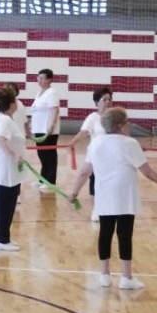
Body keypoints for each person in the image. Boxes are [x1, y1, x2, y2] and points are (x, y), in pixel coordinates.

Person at [69, 107, 157, 290]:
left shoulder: (96, 143)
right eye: (127, 122)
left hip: (104, 195)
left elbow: (85, 172)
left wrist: (74, 193)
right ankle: (126, 277)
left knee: (105, 233)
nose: (129, 125)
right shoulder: (130, 143)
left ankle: (104, 275)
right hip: (124, 196)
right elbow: (148, 173)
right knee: (124, 235)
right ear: (119, 125)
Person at [67, 87, 115, 223]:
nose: (107, 102)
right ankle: (95, 208)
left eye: (109, 99)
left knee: (109, 183)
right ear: (97, 102)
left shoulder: (115, 117)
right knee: (88, 176)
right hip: (95, 155)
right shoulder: (93, 117)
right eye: (104, 99)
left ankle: (109, 208)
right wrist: (73, 141)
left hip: (112, 157)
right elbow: (84, 132)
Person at [0, 87, 25, 251]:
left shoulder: (1, 117)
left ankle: (1, 237)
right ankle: (1, 240)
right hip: (6, 166)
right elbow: (0, 140)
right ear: (11, 104)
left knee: (5, 202)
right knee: (5, 203)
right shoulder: (4, 121)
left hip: (6, 166)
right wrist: (15, 154)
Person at [29, 69, 62, 191]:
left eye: (42, 78)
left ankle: (50, 182)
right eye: (38, 77)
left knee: (49, 156)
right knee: (42, 155)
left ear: (49, 80)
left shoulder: (51, 93)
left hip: (48, 131)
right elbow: (36, 110)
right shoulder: (40, 93)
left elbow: (54, 110)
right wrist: (31, 124)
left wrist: (51, 126)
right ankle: (42, 179)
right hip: (39, 129)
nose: (39, 80)